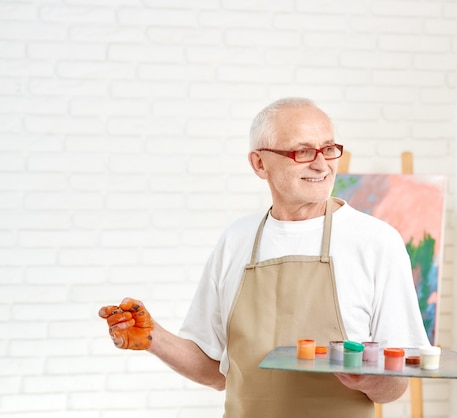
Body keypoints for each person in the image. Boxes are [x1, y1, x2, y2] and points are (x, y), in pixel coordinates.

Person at [99, 97, 431, 418]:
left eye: (329, 149)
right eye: (303, 151)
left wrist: (368, 379)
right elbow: (216, 372)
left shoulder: (376, 242)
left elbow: (395, 386)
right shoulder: (236, 240)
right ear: (260, 163)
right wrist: (152, 337)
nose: (322, 164)